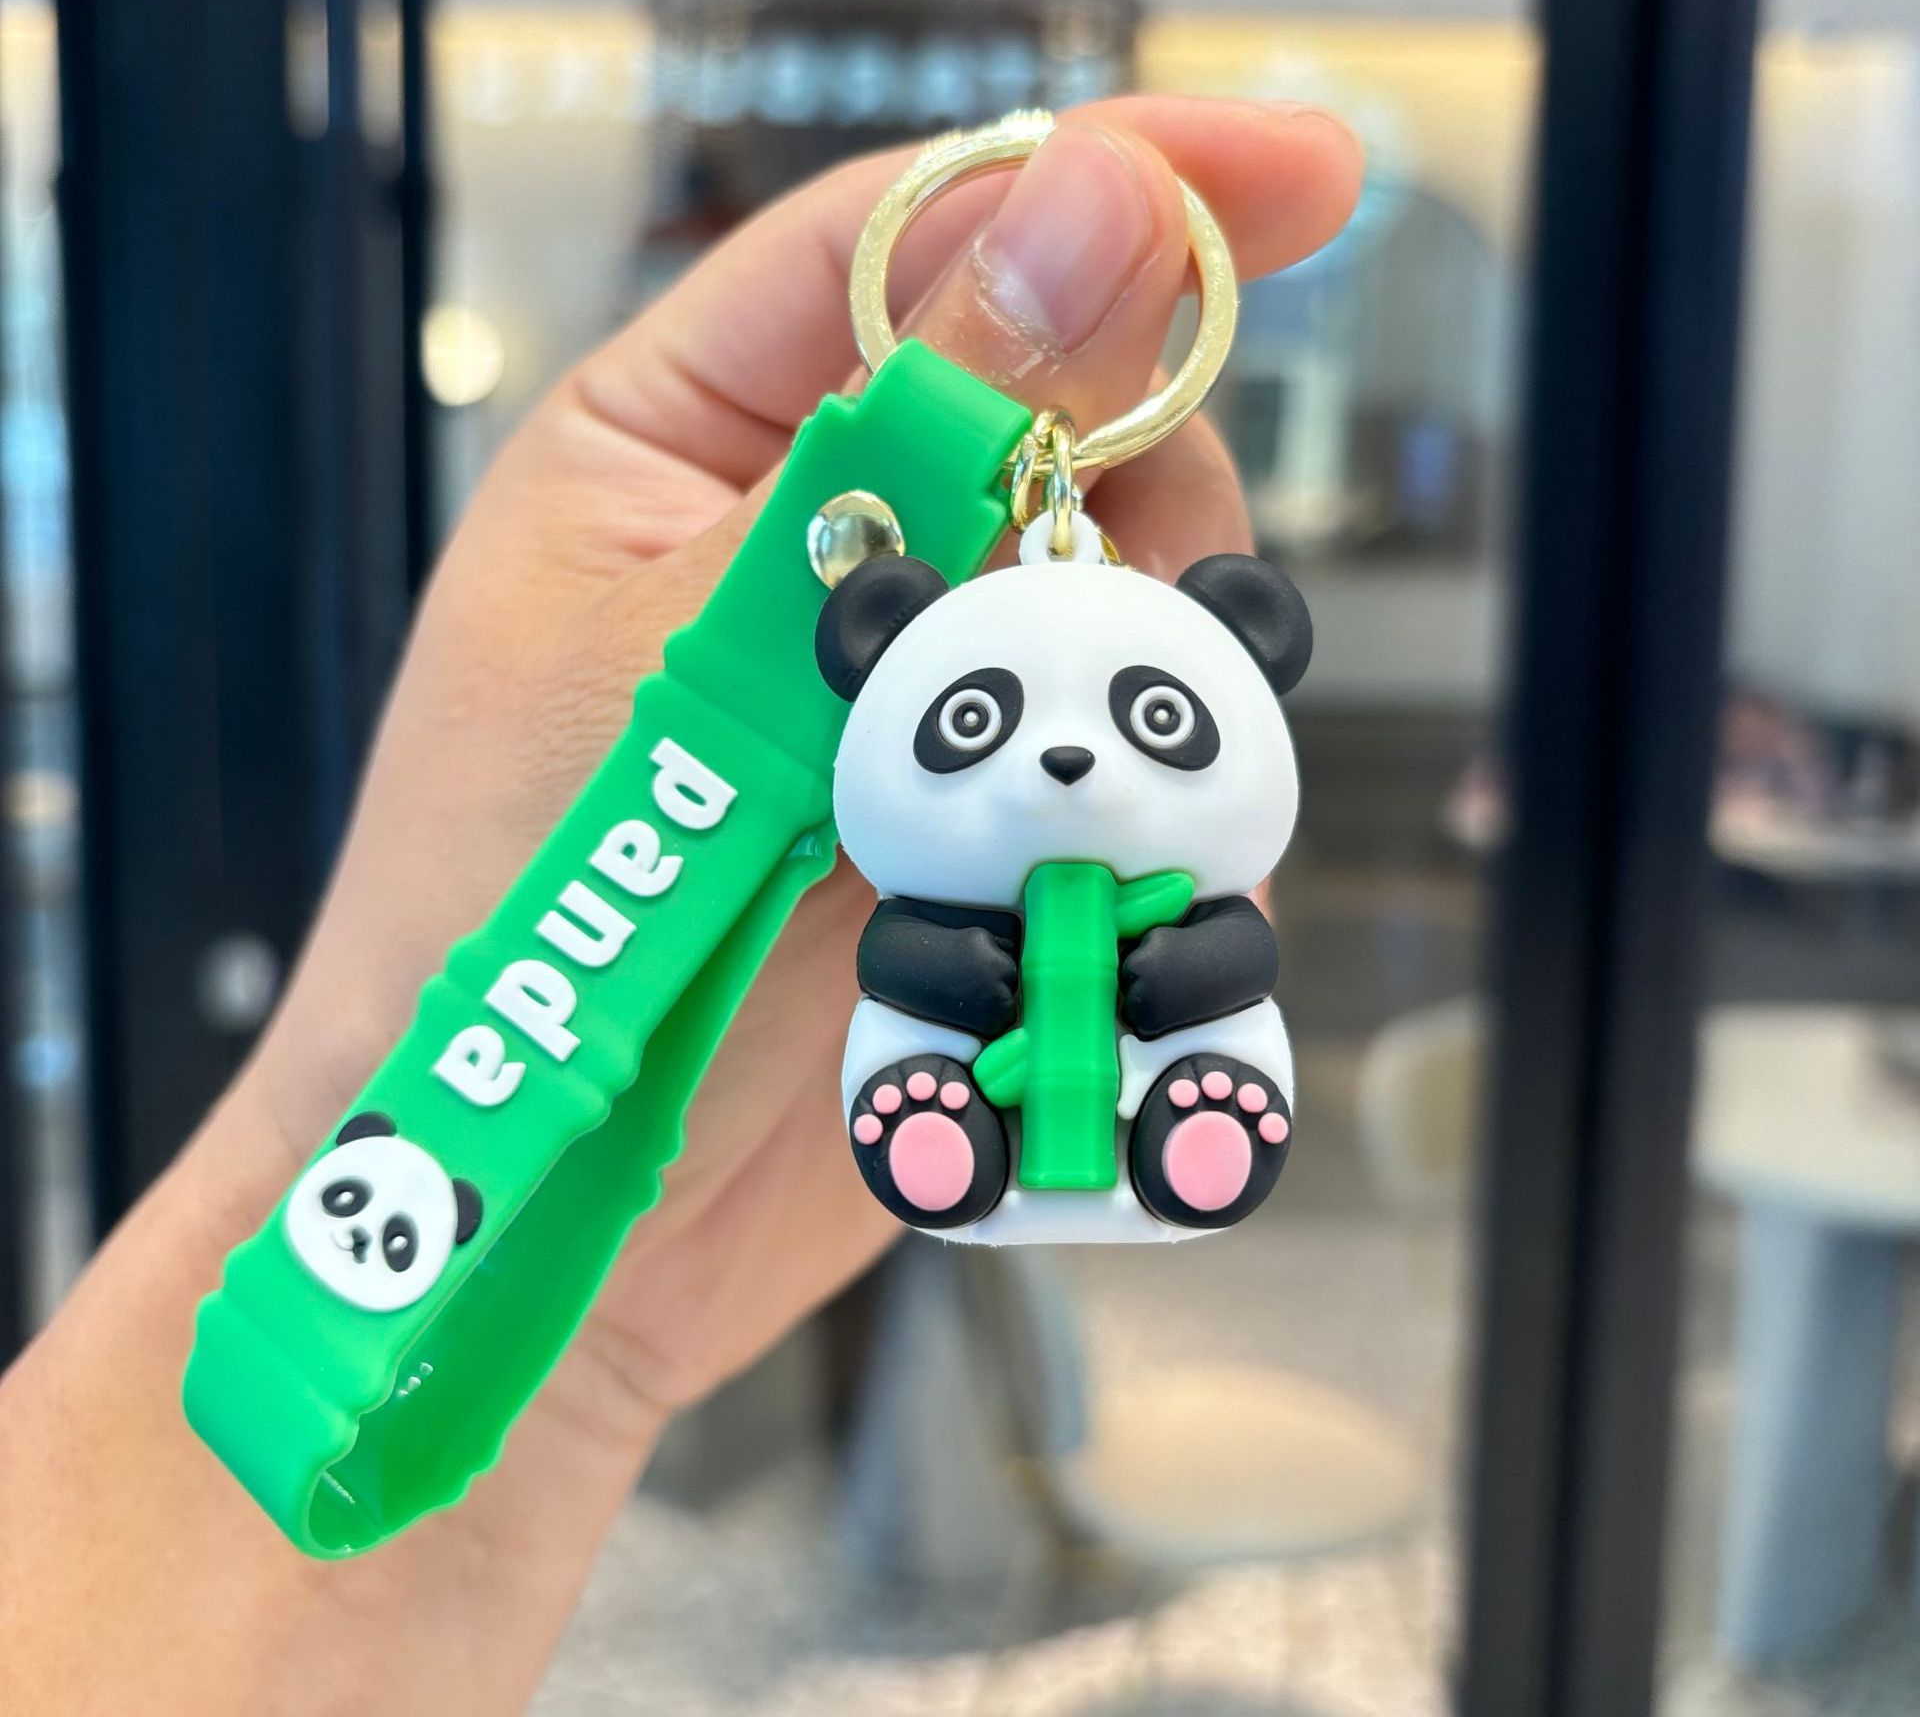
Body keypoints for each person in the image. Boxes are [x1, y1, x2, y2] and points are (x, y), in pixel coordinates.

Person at [0, 97, 1361, 1714]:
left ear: (1250, 645)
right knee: (915, 1019)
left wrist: (596, 1356)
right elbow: (909, 946)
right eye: (981, 721)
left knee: (1208, 1019)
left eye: (1153, 720)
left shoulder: (1170, 863)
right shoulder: (915, 861)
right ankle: (963, 1126)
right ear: (869, 651)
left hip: (1112, 1047)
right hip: (852, 1052)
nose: (1065, 761)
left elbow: (1225, 952)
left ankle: (1178, 1119)